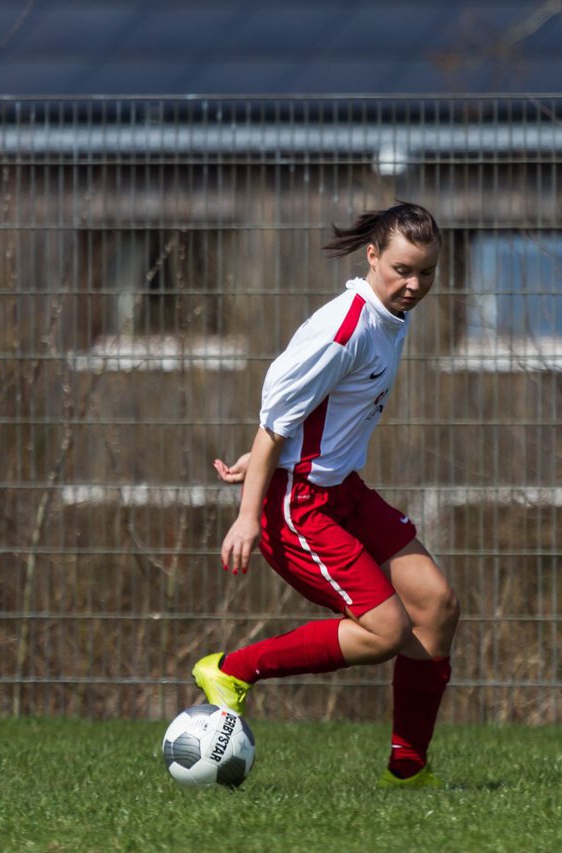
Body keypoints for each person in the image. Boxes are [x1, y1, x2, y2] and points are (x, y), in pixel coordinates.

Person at [192, 201, 459, 789]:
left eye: (427, 273)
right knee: (383, 631)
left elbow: (310, 416)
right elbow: (275, 419)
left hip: (342, 490)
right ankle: (231, 671)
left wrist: (273, 452)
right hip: (298, 504)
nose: (414, 285)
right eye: (402, 269)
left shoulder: (391, 313)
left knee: (436, 606)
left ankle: (407, 770)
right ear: (372, 256)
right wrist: (246, 515)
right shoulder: (343, 330)